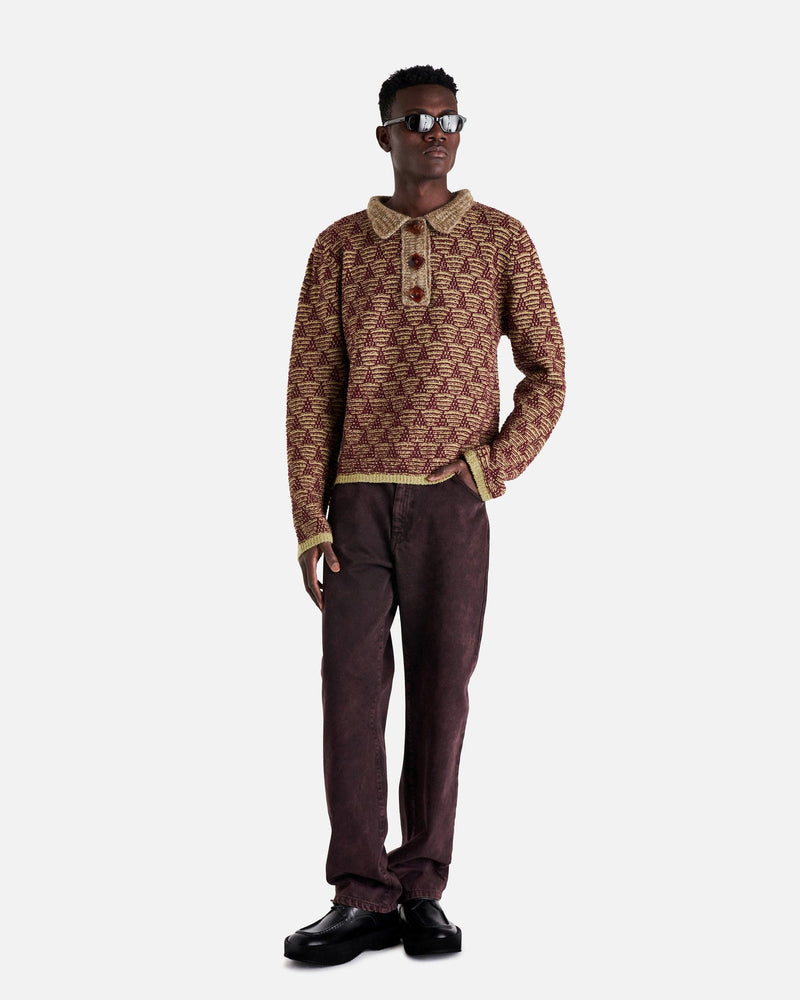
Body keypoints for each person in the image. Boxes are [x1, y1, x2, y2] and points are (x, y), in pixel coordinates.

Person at [284, 64, 566, 965]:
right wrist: (309, 517)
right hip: (356, 505)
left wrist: (491, 469)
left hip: (454, 503)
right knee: (349, 697)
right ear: (385, 136)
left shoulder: (501, 238)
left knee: (442, 697)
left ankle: (422, 889)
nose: (436, 133)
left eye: (449, 119)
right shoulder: (338, 247)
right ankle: (359, 893)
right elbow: (311, 390)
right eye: (416, 120)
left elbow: (549, 372)